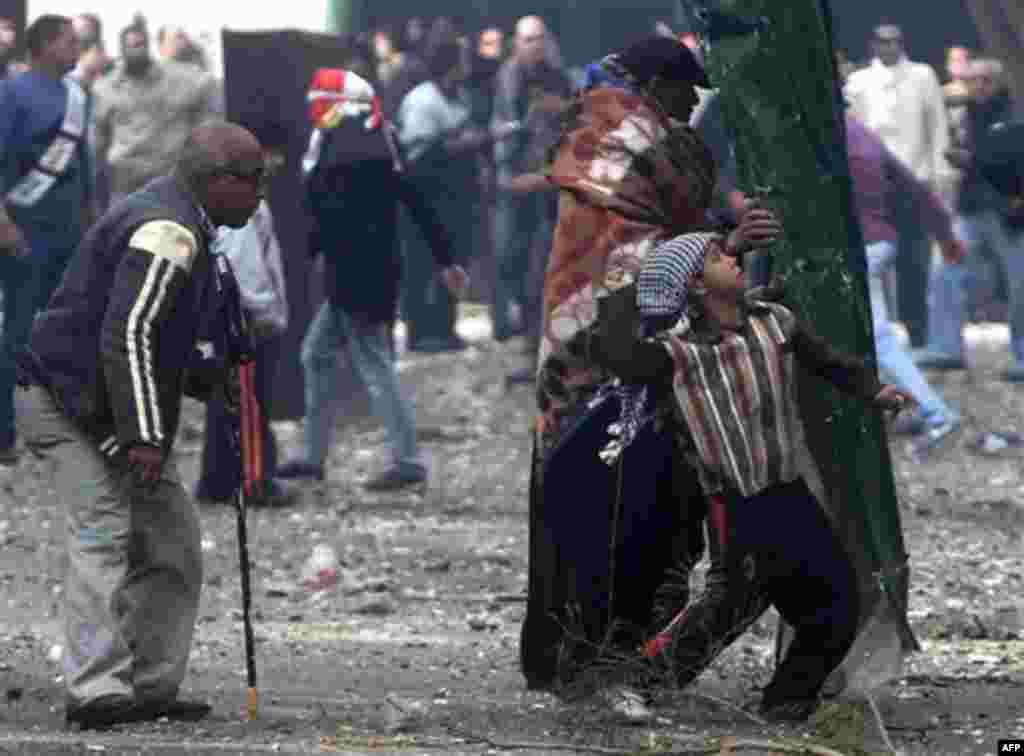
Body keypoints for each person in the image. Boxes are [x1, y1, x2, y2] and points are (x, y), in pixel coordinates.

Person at [523, 35, 781, 710]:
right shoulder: (671, 149)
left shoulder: (585, 134)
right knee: (647, 504)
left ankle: (565, 651)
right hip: (638, 345)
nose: (693, 102)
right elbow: (673, 253)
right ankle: (617, 655)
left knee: (571, 498)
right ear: (658, 84)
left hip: (569, 340)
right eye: (685, 88)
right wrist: (730, 242)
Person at [591, 232, 911, 722]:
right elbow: (613, 354)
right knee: (730, 604)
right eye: (719, 257)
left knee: (837, 603)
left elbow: (829, 363)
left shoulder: (774, 323)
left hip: (788, 491)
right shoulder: (675, 353)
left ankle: (786, 701)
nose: (734, 259)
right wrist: (634, 290)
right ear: (694, 285)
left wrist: (875, 391)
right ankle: (636, 682)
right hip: (735, 502)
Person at [16, 121, 265, 729]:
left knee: (172, 540)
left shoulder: (184, 221)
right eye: (253, 182)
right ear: (219, 181)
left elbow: (158, 333)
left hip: (99, 402)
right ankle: (95, 690)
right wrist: (146, 438)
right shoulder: (166, 231)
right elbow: (127, 335)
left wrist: (208, 378)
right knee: (103, 528)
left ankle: (148, 685)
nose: (261, 196)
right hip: (63, 400)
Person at [276, 68, 468, 491]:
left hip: (356, 277)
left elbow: (326, 215)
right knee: (317, 354)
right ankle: (313, 455)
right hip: (362, 274)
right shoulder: (375, 139)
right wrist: (445, 258)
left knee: (373, 363)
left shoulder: (351, 145)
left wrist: (302, 259)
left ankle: (407, 459)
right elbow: (416, 199)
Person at [0, 15, 93, 463]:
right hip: (24, 230)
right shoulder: (11, 94)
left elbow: (86, 170)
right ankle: (5, 433)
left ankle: (57, 428)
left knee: (65, 331)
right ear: (46, 45)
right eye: (71, 41)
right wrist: (4, 224)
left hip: (70, 232)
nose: (79, 47)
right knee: (17, 330)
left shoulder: (79, 96)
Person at [845, 112, 964, 454]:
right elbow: (913, 186)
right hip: (880, 241)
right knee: (873, 336)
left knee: (879, 339)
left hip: (861, 246)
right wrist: (945, 234)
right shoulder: (860, 131)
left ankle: (934, 411)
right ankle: (909, 408)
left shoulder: (828, 136)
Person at [396, 25, 516, 353]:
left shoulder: (458, 97)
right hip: (427, 199)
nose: (468, 64)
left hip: (455, 201)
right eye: (462, 58)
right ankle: (422, 333)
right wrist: (471, 142)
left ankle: (444, 328)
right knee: (424, 264)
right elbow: (419, 153)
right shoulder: (422, 100)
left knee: (452, 262)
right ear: (450, 62)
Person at [194, 143, 292, 505]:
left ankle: (216, 480)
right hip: (245, 318)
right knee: (249, 401)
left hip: (226, 314)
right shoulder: (245, 209)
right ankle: (254, 480)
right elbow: (243, 266)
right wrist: (261, 311)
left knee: (227, 399)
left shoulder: (220, 203)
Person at [845, 24, 954, 348]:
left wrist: (940, 177)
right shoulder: (859, 82)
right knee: (872, 260)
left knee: (914, 260)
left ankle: (917, 332)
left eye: (894, 41)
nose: (889, 47)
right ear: (872, 44)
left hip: (915, 180)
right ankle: (882, 334)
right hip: (875, 184)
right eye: (882, 41)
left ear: (902, 43)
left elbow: (937, 127)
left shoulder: (923, 76)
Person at [919, 62, 1020, 379]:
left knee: (1020, 284)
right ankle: (946, 347)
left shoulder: (1013, 115)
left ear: (998, 82)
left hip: (1008, 212)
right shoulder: (962, 117)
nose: (978, 86)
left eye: (985, 80)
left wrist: (971, 159)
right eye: (973, 81)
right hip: (969, 209)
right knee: (945, 273)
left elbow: (1004, 157)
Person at [491, 15, 571, 367]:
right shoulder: (508, 76)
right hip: (515, 181)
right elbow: (500, 127)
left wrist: (562, 108)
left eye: (539, 39)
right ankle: (520, 328)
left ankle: (536, 340)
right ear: (516, 43)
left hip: (549, 183)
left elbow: (577, 121)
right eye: (527, 40)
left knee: (542, 264)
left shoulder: (558, 76)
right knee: (511, 257)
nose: (534, 46)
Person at [94, 20, 222, 205]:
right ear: (121, 49)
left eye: (140, 44)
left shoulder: (177, 79)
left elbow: (207, 86)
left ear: (148, 46)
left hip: (168, 179)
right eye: (130, 45)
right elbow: (98, 141)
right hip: (125, 184)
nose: (136, 50)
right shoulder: (106, 88)